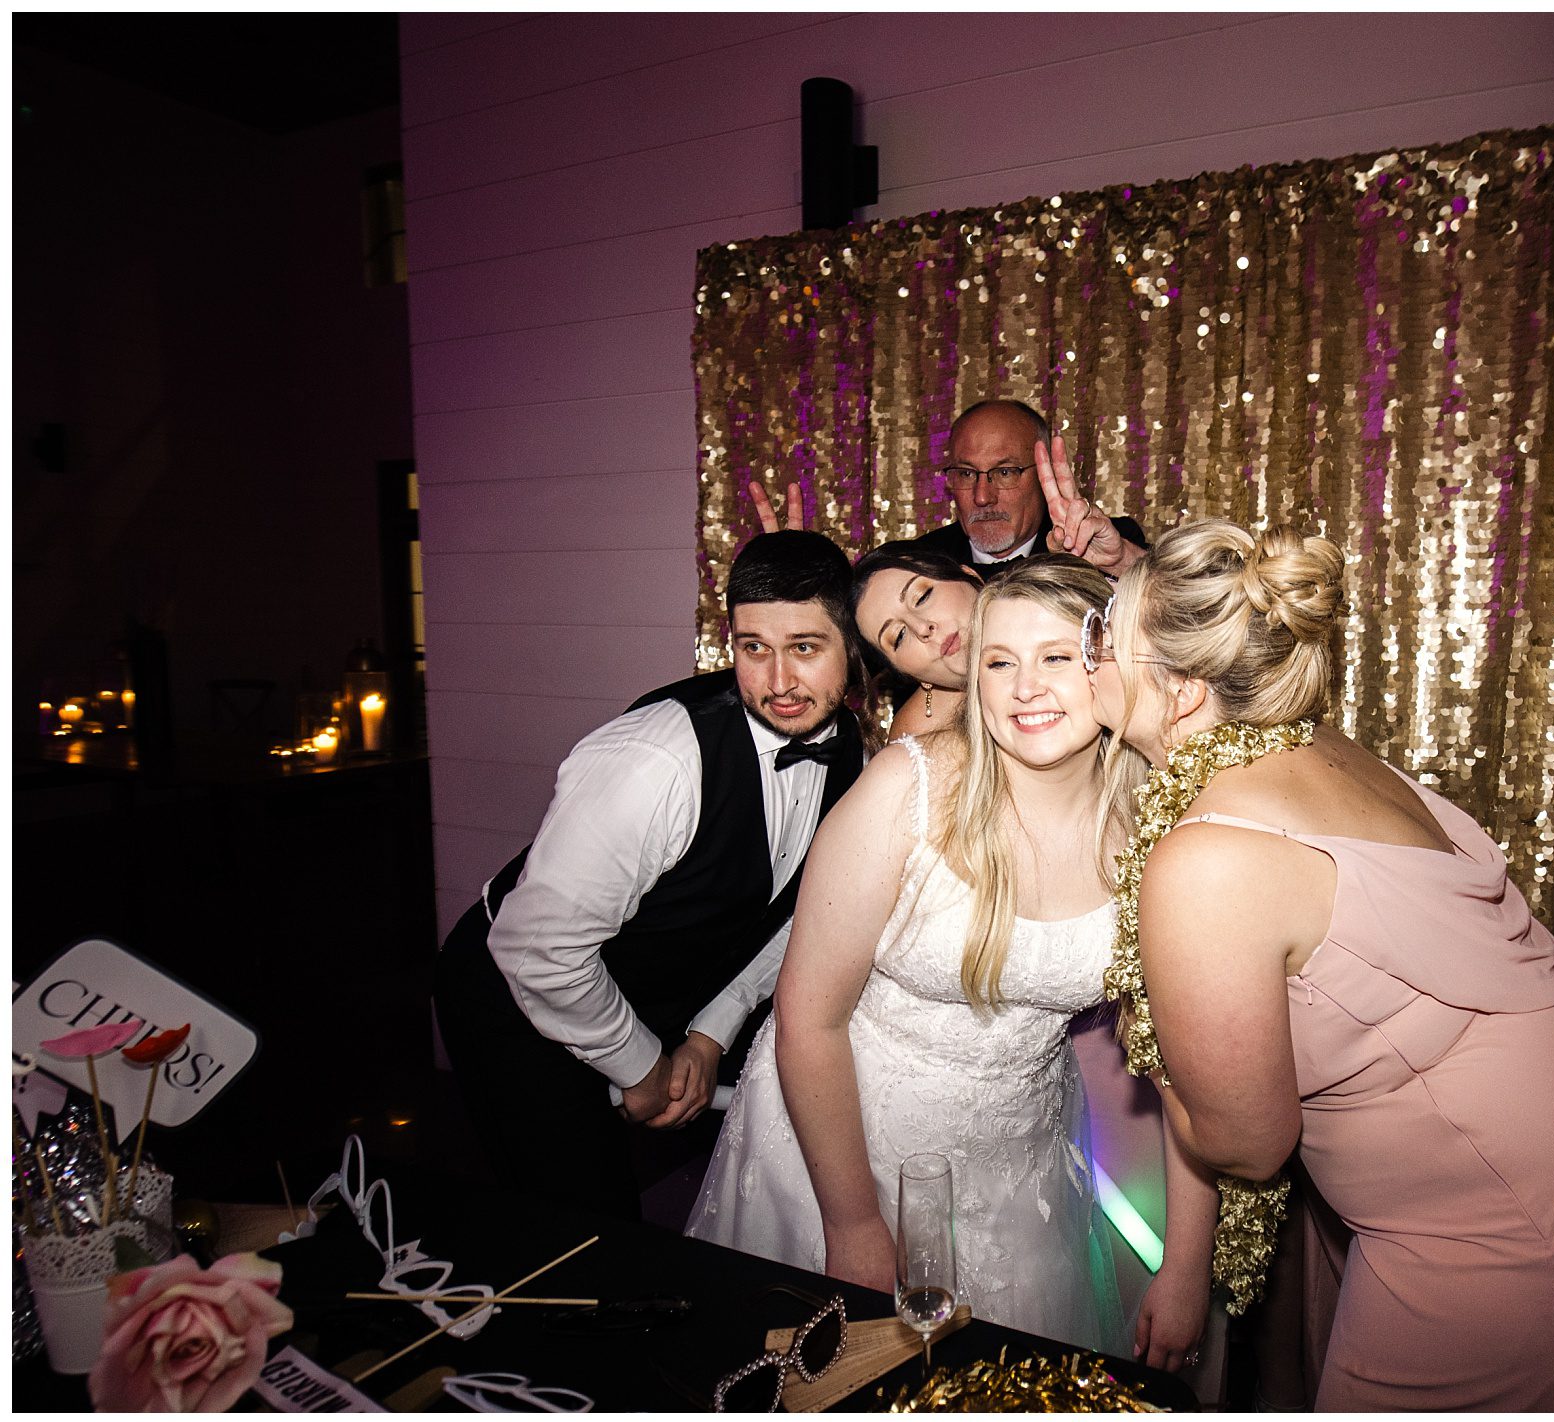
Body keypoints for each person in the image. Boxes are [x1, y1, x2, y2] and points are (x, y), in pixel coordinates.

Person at [1087, 519, 1554, 1410]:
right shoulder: (1309, 745)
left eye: (1104, 639)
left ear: (1184, 693)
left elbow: (1245, 1140)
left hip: (1517, 1216)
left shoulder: (1205, 858)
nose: (1087, 654)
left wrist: (1152, 1032)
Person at [685, 557, 1215, 1369]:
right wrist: (855, 1221)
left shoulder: (1157, 830)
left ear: (1113, 663)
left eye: (1056, 656)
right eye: (999, 661)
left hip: (1022, 1163)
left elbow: (1184, 1074)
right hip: (843, 1140)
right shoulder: (908, 788)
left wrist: (1185, 1264)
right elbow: (808, 1017)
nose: (1023, 686)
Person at [432, 530, 869, 1221]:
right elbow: (537, 951)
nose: (779, 680)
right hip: (512, 997)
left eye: (805, 648)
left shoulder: (853, 761)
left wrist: (708, 1032)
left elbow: (794, 918)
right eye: (754, 647)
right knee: (578, 1221)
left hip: (645, 999)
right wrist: (639, 1064)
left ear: (854, 645)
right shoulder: (654, 758)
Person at [746, 398, 1147, 578]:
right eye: (966, 473)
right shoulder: (909, 565)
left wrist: (1121, 563)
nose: (983, 496)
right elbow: (844, 655)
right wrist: (794, 581)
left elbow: (1190, 623)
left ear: (1044, 481)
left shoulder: (1104, 543)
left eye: (1005, 472)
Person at [848, 542, 983, 739]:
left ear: (971, 576)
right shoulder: (918, 746)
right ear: (911, 676)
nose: (921, 628)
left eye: (921, 597)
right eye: (898, 637)